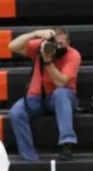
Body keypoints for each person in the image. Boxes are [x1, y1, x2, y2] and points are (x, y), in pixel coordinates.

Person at [7, 27, 81, 162]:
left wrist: (48, 62)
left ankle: (67, 143)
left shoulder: (73, 55)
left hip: (63, 97)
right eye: (55, 44)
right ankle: (29, 157)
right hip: (38, 97)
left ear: (68, 43)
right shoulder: (41, 47)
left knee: (60, 94)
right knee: (16, 112)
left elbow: (61, 81)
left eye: (61, 44)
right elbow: (12, 46)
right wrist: (34, 34)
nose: (57, 48)